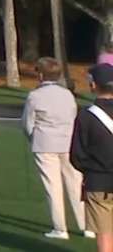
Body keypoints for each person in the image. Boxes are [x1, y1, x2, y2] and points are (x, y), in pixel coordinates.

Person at [25, 57, 90, 240]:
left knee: (53, 186)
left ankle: (60, 228)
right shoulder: (67, 94)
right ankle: (86, 225)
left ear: (39, 75)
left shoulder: (34, 96)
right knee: (76, 183)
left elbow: (28, 124)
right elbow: (73, 116)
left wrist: (33, 137)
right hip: (68, 143)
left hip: (45, 144)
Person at [71, 62, 113, 251]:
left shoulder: (86, 116)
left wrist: (91, 169)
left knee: (104, 235)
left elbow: (77, 156)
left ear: (93, 85)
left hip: (98, 180)